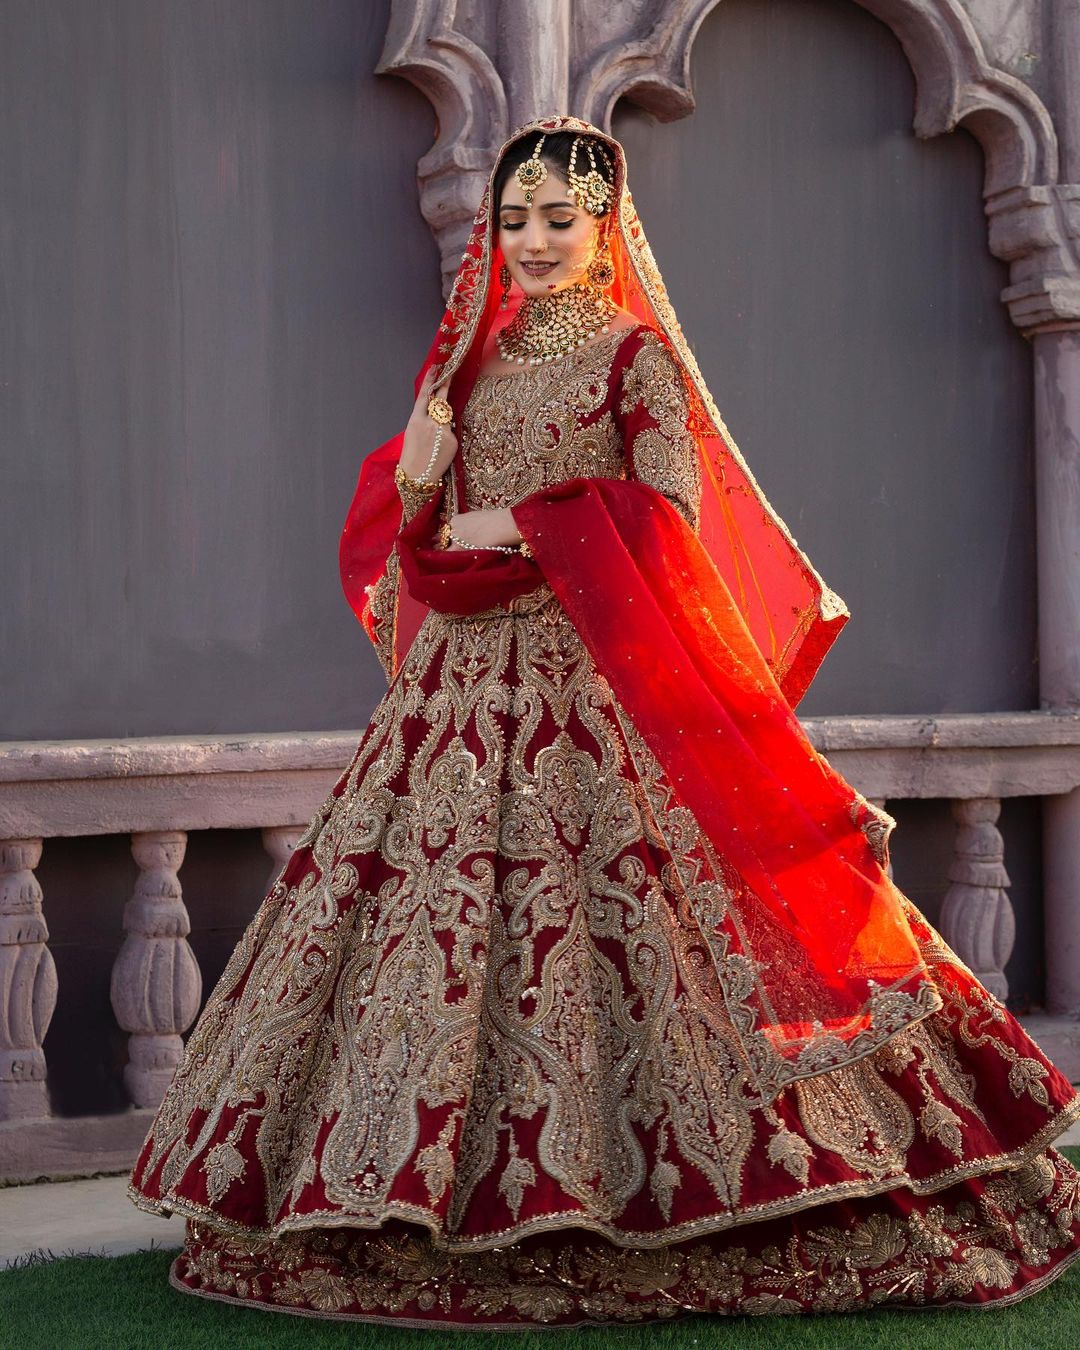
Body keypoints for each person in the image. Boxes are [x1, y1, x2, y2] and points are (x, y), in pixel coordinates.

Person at [128, 116, 1080, 1329]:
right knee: (428, 931)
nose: (530, 240)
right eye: (514, 218)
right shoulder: (473, 363)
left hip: (598, 684)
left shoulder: (638, 362)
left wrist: (529, 526)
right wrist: (424, 481)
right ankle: (398, 1195)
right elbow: (423, 534)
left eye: (556, 220)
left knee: (657, 932)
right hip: (461, 699)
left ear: (604, 228)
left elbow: (669, 519)